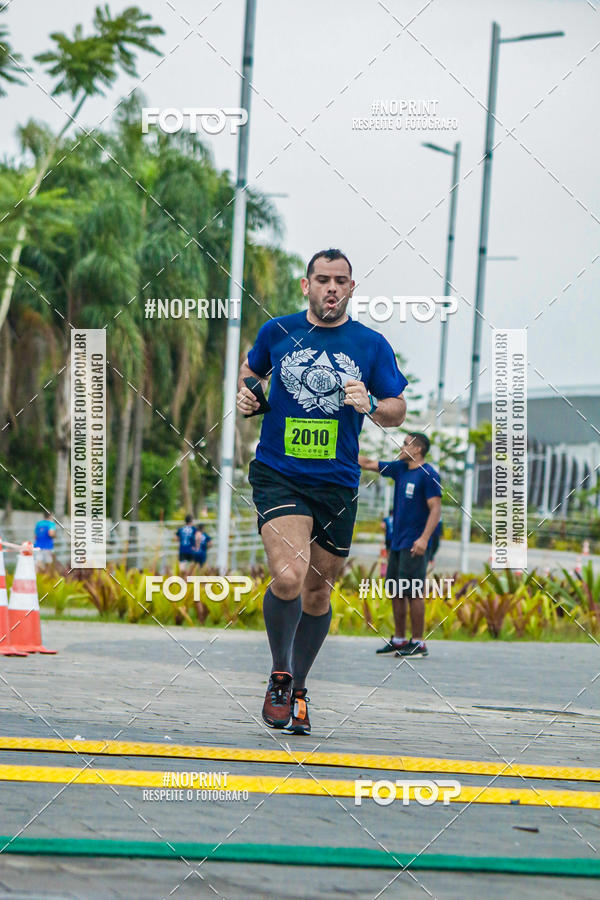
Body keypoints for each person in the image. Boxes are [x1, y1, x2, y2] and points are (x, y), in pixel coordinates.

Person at [237, 248, 407, 735]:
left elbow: (396, 406)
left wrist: (372, 403)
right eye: (322, 279)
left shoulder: (370, 345)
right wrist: (253, 395)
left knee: (317, 590)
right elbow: (251, 373)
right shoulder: (278, 331)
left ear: (352, 289)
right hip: (279, 472)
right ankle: (279, 675)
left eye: (341, 280)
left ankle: (300, 688)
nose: (331, 287)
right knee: (289, 577)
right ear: (305, 286)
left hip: (337, 481)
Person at [359, 432, 441, 658]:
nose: (401, 446)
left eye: (405, 444)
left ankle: (418, 643)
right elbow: (367, 463)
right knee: (396, 590)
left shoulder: (428, 475)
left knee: (414, 592)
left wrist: (424, 539)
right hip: (397, 542)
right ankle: (399, 639)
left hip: (415, 543)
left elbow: (435, 509)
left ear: (417, 449)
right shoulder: (400, 469)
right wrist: (339, 446)